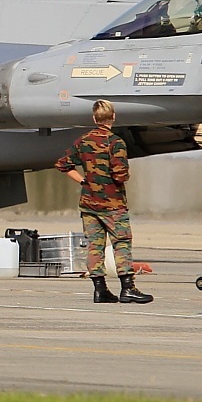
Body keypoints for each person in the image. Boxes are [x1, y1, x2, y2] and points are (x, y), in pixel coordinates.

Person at [55, 100, 153, 304]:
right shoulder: (116, 142)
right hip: (113, 204)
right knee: (122, 243)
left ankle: (100, 290)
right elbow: (120, 175)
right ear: (113, 117)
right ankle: (128, 288)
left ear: (94, 118)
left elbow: (63, 164)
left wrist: (83, 180)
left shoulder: (83, 141)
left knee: (94, 246)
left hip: (89, 203)